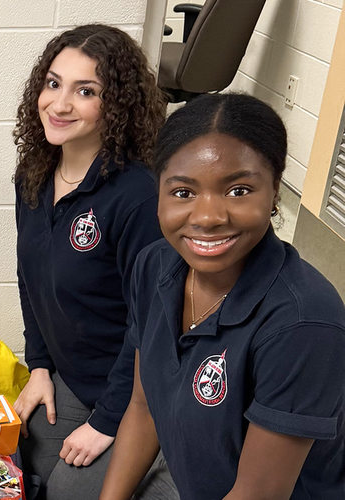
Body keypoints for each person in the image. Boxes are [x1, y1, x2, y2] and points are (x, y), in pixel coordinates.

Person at [100, 94, 345, 499]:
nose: (208, 217)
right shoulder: (154, 265)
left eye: (238, 190)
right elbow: (144, 410)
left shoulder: (305, 324)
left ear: (274, 192)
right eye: (183, 192)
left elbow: (257, 494)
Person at [11, 24, 176, 499]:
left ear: (117, 105)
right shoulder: (34, 174)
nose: (60, 104)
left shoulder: (138, 196)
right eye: (53, 83)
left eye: (86, 92)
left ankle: (163, 463)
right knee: (24, 467)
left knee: (66, 492)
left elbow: (151, 322)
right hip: (74, 377)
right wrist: (39, 366)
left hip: (138, 395)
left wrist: (108, 421)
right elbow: (30, 276)